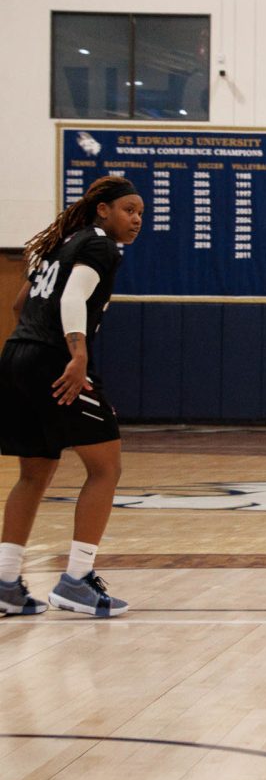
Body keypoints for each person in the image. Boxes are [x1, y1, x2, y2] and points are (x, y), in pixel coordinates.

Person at [0, 175, 143, 618]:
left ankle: (5, 583)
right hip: (54, 359)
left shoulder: (60, 245)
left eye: (141, 213)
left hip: (16, 355)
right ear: (103, 210)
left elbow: (19, 306)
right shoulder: (99, 244)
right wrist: (77, 355)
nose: (137, 219)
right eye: (129, 210)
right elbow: (73, 299)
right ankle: (76, 580)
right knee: (106, 467)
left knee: (35, 473)